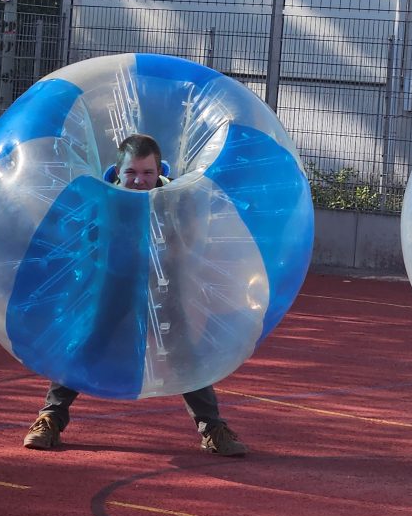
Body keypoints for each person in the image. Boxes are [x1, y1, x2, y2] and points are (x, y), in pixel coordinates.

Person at [23, 134, 248, 457]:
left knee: (182, 353)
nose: (139, 181)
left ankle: (212, 427)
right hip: (115, 282)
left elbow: (189, 249)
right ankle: (50, 418)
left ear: (159, 171)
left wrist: (176, 244)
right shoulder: (102, 198)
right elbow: (86, 248)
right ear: (117, 171)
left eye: (147, 173)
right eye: (131, 173)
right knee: (88, 344)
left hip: (162, 285)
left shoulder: (175, 199)